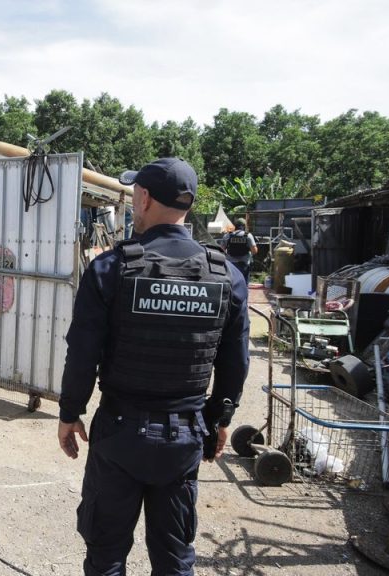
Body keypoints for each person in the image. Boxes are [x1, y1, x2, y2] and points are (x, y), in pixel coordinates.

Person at [57, 158, 249, 576]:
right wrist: (220, 419)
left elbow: (82, 353)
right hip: (185, 437)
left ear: (143, 198)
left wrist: (70, 413)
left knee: (106, 556)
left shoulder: (110, 268)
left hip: (120, 434)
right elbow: (235, 362)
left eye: (134, 196)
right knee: (174, 558)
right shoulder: (227, 276)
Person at [220, 217, 258, 282]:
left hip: (231, 264)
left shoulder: (228, 235)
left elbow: (221, 250)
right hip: (244, 264)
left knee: (232, 282)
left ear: (235, 226)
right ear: (244, 226)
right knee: (244, 283)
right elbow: (254, 251)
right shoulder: (247, 235)